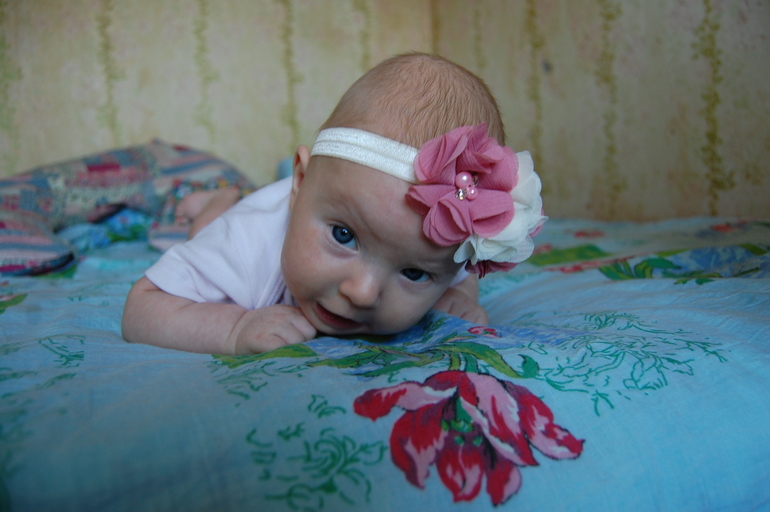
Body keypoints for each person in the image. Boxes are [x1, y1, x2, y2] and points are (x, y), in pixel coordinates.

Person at [121, 53, 546, 354]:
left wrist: (463, 294)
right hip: (245, 220)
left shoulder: (431, 238)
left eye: (414, 272)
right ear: (300, 182)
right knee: (206, 231)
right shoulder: (245, 241)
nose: (362, 293)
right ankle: (216, 202)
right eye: (343, 236)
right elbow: (142, 306)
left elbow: (456, 271)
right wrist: (233, 328)